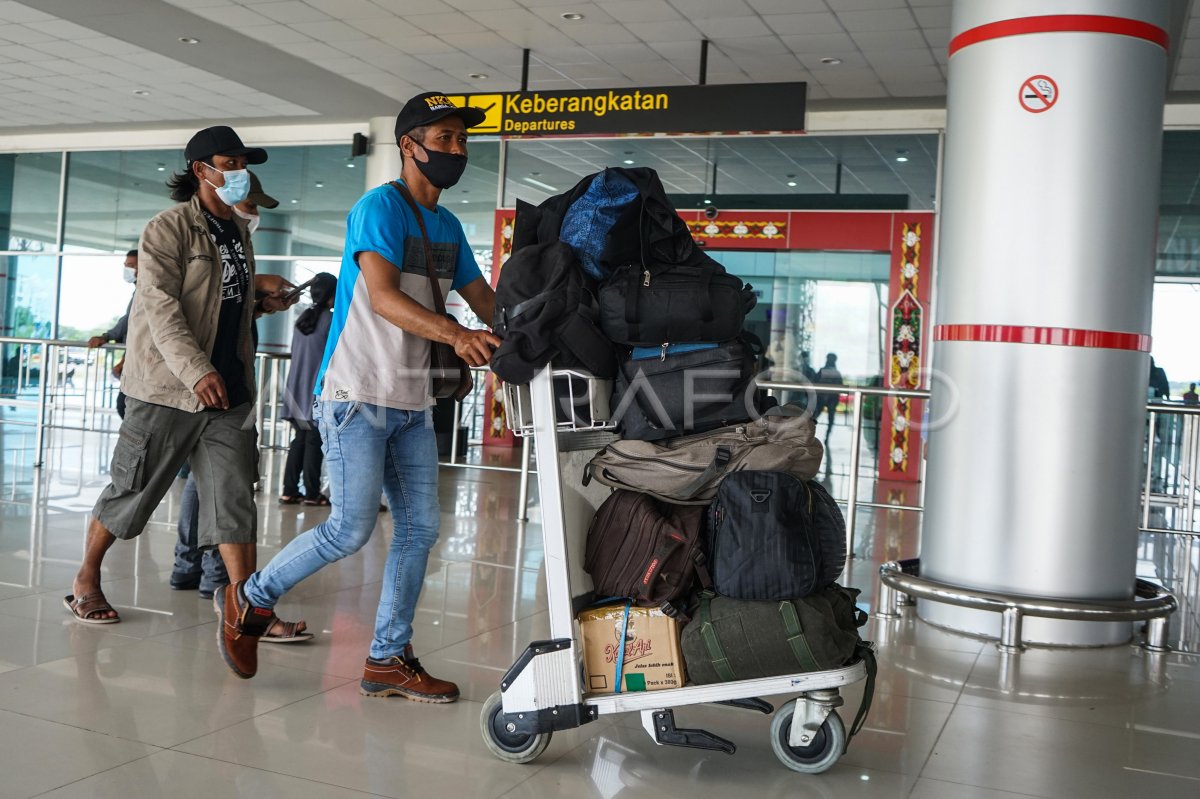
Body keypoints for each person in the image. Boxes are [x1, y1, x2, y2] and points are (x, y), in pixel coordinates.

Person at [214, 93, 500, 693]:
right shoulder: (379, 208)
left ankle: (387, 657)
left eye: (462, 140)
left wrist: (532, 332)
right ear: (408, 145)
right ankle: (250, 601)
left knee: (421, 529)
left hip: (412, 401)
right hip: (355, 395)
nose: (456, 150)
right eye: (443, 138)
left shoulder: (448, 227)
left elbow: (484, 299)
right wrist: (457, 334)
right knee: (350, 528)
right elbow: (382, 297)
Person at [65, 126, 301, 643]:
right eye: (229, 162)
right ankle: (87, 579)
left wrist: (263, 303)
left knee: (235, 499)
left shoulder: (239, 232)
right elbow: (162, 309)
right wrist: (198, 371)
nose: (239, 171)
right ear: (201, 169)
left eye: (243, 162)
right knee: (133, 491)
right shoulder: (168, 229)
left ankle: (247, 608)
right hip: (169, 389)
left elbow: (222, 305)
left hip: (229, 392)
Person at [279, 272, 338, 506]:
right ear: (332, 296)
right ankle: (312, 494)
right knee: (314, 442)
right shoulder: (331, 321)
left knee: (300, 441)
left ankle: (289, 490)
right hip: (315, 391)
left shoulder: (303, 318)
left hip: (295, 388)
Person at [87, 249, 138, 418]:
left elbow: (131, 321)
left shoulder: (146, 291)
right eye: (126, 265)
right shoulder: (138, 290)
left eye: (131, 265)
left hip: (139, 359)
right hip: (133, 355)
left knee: (126, 406)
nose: (127, 269)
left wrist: (107, 336)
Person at [814, 352, 843, 435]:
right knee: (830, 419)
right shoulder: (837, 372)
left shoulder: (822, 370)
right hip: (832, 398)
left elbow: (815, 382)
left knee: (815, 415)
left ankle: (808, 432)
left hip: (821, 397)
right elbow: (841, 386)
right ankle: (827, 436)